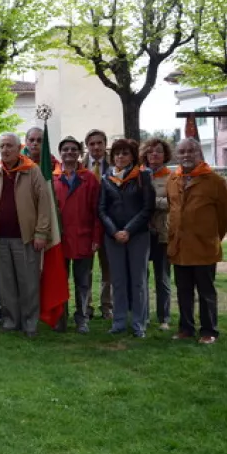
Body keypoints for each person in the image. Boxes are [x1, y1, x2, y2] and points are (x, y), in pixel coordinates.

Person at [0, 132, 51, 337]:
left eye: (10, 146)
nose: (5, 150)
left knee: (28, 282)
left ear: (19, 148)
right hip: (0, 237)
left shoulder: (32, 170)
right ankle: (11, 320)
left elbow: (44, 204)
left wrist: (41, 232)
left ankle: (30, 323)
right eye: (2, 146)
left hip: (26, 237)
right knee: (6, 282)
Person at [167, 138, 227, 345]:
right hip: (179, 248)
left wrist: (212, 236)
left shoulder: (215, 181)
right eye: (182, 152)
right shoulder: (173, 180)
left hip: (204, 247)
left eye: (191, 151)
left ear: (199, 154)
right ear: (177, 156)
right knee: (183, 291)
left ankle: (209, 330)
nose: (186, 155)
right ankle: (186, 328)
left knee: (206, 291)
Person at [98, 138, 155, 337]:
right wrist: (114, 231)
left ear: (132, 156)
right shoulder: (106, 178)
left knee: (138, 281)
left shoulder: (143, 176)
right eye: (117, 153)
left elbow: (148, 208)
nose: (120, 157)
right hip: (113, 237)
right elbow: (102, 209)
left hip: (138, 235)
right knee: (118, 280)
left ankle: (139, 323)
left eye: (125, 153)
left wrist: (128, 230)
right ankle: (119, 321)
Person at [53, 136, 102, 334]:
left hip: (83, 238)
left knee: (83, 283)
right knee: (60, 281)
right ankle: (60, 318)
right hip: (60, 240)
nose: (69, 152)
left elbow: (97, 210)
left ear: (79, 153)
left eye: (74, 149)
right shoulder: (53, 178)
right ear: (60, 153)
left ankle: (82, 318)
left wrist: (96, 238)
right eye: (65, 149)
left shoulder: (89, 178)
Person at [141, 137, 173, 331]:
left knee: (162, 278)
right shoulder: (139, 175)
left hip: (162, 234)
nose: (154, 154)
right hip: (142, 233)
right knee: (141, 277)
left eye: (159, 151)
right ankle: (142, 315)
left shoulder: (171, 177)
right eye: (151, 151)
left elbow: (173, 202)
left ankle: (164, 317)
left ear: (165, 155)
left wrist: (151, 203)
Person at [83, 129, 113, 320]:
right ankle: (86, 306)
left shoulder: (114, 165)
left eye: (99, 143)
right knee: (86, 268)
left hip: (109, 223)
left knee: (108, 268)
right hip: (87, 223)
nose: (96, 147)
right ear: (87, 146)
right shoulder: (80, 166)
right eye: (92, 144)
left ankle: (107, 306)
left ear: (105, 144)